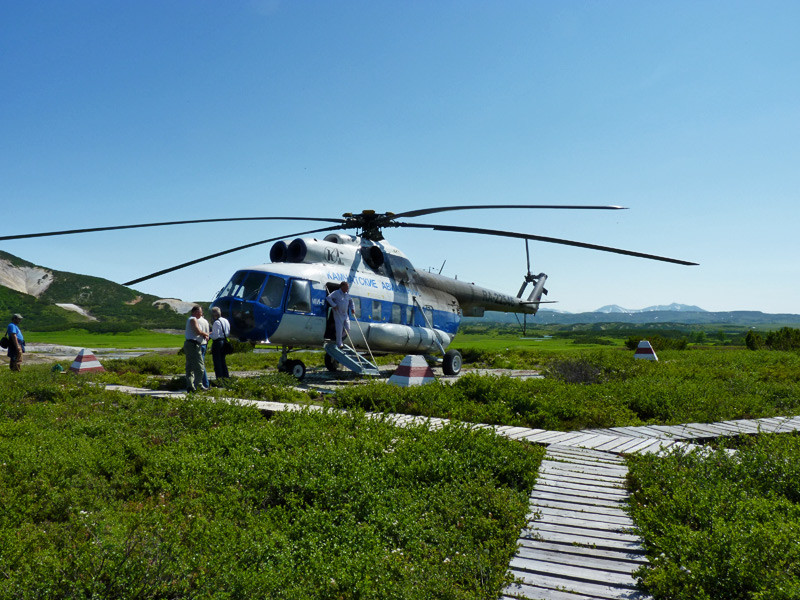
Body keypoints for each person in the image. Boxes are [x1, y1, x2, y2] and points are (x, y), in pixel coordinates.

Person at [184, 305, 209, 392]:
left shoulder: (192, 319)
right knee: (200, 367)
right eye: (200, 312)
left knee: (190, 366)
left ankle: (190, 386)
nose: (201, 314)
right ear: (195, 312)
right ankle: (197, 385)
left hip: (190, 344)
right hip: (193, 344)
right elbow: (197, 331)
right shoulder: (193, 319)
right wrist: (206, 334)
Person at [326, 281, 355, 349]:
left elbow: (351, 302)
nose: (347, 289)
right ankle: (339, 343)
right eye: (346, 287)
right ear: (342, 287)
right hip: (338, 313)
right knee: (339, 328)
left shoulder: (347, 294)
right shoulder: (336, 293)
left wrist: (352, 308)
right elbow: (328, 298)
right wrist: (334, 305)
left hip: (345, 314)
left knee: (347, 328)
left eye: (347, 287)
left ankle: (337, 337)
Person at [210, 306, 231, 380]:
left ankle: (219, 378)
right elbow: (228, 332)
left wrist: (209, 335)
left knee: (217, 362)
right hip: (224, 341)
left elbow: (215, 336)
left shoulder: (216, 322)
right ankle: (226, 377)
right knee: (223, 361)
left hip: (218, 342)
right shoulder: (226, 320)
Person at [197, 310, 211, 389]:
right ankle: (205, 383)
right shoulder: (206, 321)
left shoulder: (197, 321)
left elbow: (200, 332)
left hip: (199, 343)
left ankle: (204, 383)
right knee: (202, 363)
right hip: (205, 344)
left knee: (200, 365)